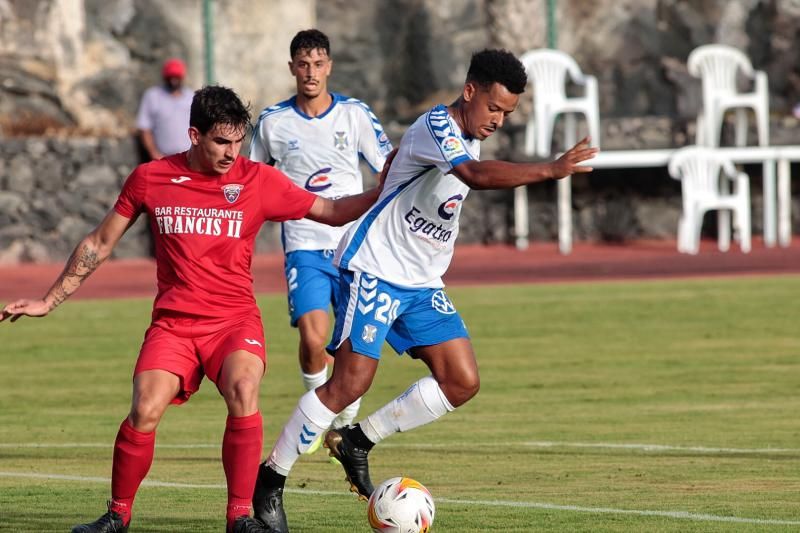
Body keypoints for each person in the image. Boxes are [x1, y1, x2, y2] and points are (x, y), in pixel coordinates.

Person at [1, 85, 389, 533]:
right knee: (145, 408)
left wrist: (389, 186)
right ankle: (117, 516)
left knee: (244, 390)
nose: (232, 152)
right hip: (174, 325)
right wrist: (49, 299)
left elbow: (333, 210)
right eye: (221, 142)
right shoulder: (151, 178)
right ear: (193, 135)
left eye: (238, 141)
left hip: (234, 321)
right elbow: (99, 243)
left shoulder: (256, 180)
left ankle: (239, 517)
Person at [250, 49, 599, 532]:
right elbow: (474, 177)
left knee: (462, 381)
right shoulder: (437, 126)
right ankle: (270, 483)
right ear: (470, 91)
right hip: (374, 269)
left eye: (508, 114)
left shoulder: (470, 135)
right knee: (349, 383)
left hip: (420, 283)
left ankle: (357, 441)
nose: (498, 120)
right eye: (494, 108)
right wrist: (550, 169)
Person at [249, 29, 392, 451]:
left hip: (354, 246)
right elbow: (250, 180)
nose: (310, 73)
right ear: (292, 67)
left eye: (318, 64)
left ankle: (342, 428)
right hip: (304, 245)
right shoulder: (274, 122)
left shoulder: (355, 114)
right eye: (303, 64)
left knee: (354, 346)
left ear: (329, 66)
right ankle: (314, 418)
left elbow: (389, 169)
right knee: (313, 340)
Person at [136, 58, 194, 160]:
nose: (173, 80)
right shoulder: (153, 96)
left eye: (176, 77)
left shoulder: (191, 97)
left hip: (189, 159)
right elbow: (144, 128)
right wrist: (154, 153)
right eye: (170, 77)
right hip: (163, 159)